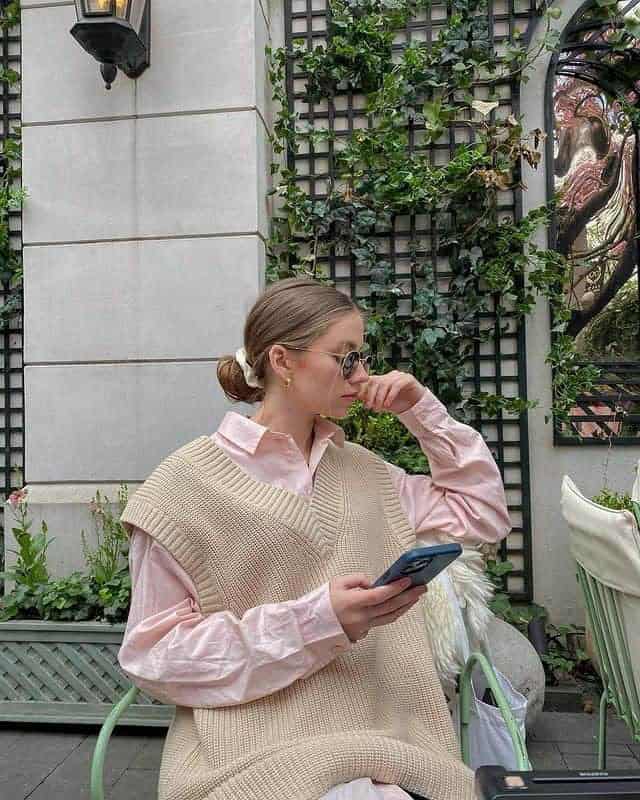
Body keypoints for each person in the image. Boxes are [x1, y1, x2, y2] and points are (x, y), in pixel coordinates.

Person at [118, 277, 511, 800]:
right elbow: (154, 655)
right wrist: (315, 622)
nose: (362, 374)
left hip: (391, 745)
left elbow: (481, 514)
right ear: (283, 361)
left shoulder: (368, 474)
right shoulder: (182, 489)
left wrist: (422, 411)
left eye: (362, 356)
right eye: (345, 357)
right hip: (252, 757)